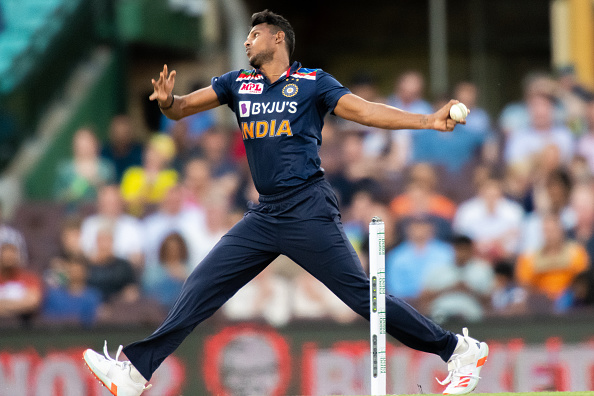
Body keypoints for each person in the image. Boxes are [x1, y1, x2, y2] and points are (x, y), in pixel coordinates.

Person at [83, 10, 488, 396]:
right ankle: (135, 371)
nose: (246, 41)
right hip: (265, 213)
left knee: (362, 298)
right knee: (202, 284)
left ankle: (457, 351)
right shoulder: (237, 82)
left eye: (254, 34)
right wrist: (169, 102)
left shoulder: (313, 81)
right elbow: (183, 108)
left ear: (278, 37)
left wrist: (428, 120)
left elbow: (364, 112)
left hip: (307, 207)